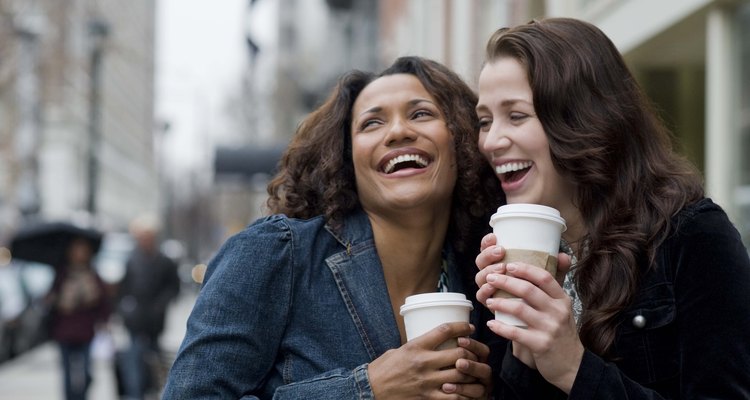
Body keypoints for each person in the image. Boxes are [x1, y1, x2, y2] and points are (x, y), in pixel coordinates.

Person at [162, 56, 504, 399]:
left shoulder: (485, 278)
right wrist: (368, 390)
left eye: (420, 114)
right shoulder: (277, 254)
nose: (398, 131)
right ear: (345, 157)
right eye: (372, 123)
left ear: (461, 140)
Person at [473, 17, 750, 398]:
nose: (490, 141)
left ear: (581, 118)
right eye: (484, 121)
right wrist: (523, 352)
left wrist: (573, 367)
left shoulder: (693, 236)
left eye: (516, 115)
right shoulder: (516, 252)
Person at [116, 215, 180, 399]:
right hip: (135, 321)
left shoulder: (165, 261)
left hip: (155, 322)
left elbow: (173, 288)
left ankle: (152, 390)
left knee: (153, 361)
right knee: (134, 361)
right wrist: (125, 309)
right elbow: (123, 289)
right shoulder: (132, 260)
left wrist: (161, 304)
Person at [46, 236, 111, 400]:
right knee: (67, 372)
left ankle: (81, 396)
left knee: (87, 372)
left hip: (86, 330)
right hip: (64, 329)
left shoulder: (92, 274)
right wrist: (61, 298)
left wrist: (104, 320)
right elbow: (51, 299)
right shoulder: (62, 273)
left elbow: (103, 301)